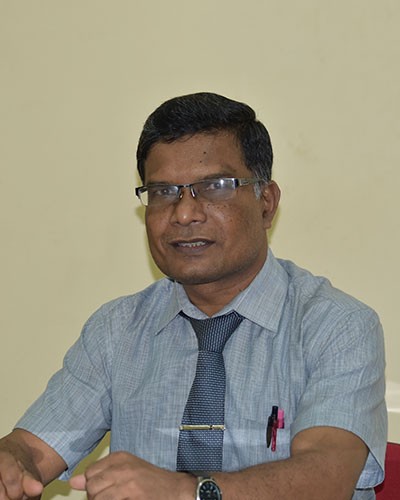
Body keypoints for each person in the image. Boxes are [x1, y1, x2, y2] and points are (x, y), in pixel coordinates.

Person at [0, 92, 387, 500]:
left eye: (214, 187)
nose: (184, 214)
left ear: (266, 203)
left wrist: (187, 492)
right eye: (163, 192)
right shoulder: (116, 331)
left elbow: (325, 477)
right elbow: (32, 449)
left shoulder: (336, 325)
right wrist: (12, 463)